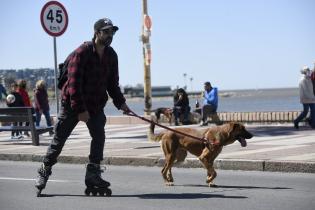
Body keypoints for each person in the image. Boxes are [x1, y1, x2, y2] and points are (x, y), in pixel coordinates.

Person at [35, 17, 131, 196]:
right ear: (97, 33)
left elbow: (112, 84)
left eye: (113, 32)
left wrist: (121, 104)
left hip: (95, 105)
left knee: (99, 137)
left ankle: (93, 174)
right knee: (58, 142)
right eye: (107, 31)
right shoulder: (82, 52)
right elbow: (73, 85)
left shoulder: (111, 55)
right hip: (72, 105)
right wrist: (80, 110)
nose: (110, 35)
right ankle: (44, 171)